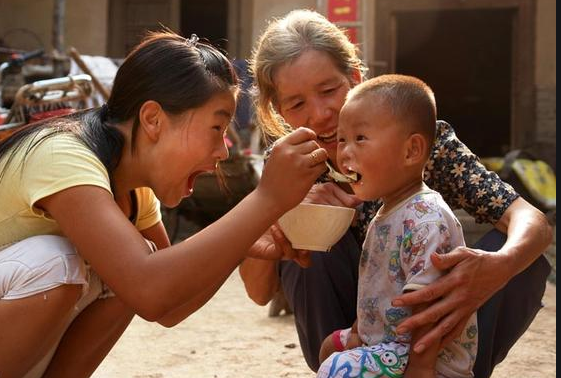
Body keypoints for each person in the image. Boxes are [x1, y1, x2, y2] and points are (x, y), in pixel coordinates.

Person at [238, 9, 552, 377]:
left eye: (329, 90)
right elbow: (259, 292)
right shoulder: (289, 166)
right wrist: (280, 212)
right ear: (279, 111)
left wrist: (497, 268)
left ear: (354, 78)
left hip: (433, 331)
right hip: (353, 338)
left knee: (521, 257)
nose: (321, 114)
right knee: (313, 240)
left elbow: (534, 221)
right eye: (296, 103)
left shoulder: (417, 143)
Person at [0, 31, 329, 378]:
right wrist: (267, 199)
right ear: (153, 119)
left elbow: (170, 304)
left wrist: (243, 241)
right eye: (216, 127)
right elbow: (151, 288)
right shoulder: (63, 156)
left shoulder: (131, 190)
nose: (223, 151)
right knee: (57, 262)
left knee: (129, 268)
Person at [317, 74, 477, 378]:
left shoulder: (426, 219)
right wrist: (356, 331)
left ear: (411, 151)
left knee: (335, 368)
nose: (345, 152)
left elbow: (429, 305)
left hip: (429, 355)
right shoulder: (386, 210)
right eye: (341, 140)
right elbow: (377, 289)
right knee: (329, 347)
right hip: (389, 342)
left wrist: (421, 368)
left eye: (360, 138)